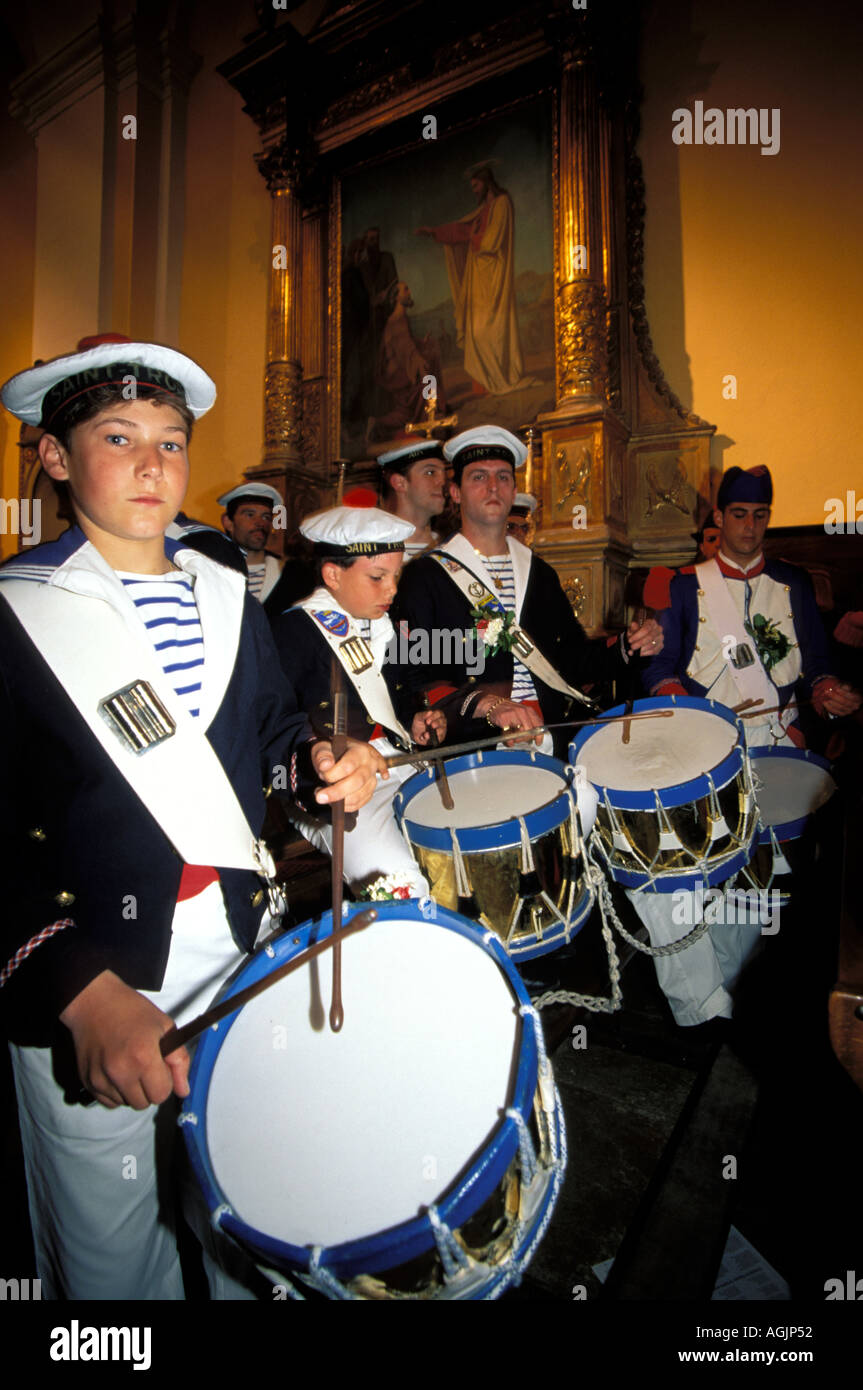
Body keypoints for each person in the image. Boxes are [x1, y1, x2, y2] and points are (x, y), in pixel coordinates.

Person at [0, 339, 383, 1300]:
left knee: (245, 1193)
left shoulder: (225, 590)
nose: (150, 464)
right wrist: (80, 991)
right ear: (54, 458)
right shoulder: (15, 610)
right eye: (117, 436)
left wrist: (321, 762)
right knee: (106, 1241)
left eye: (171, 443)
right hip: (91, 966)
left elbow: (269, 732)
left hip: (236, 938)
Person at [634, 464, 861, 1027]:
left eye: (761, 516)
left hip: (777, 741)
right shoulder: (685, 585)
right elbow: (660, 666)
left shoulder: (794, 581)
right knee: (699, 867)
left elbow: (817, 665)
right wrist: (676, 701)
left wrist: (826, 690)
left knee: (762, 870)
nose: (750, 527)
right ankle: (703, 996)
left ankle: (727, 989)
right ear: (718, 516)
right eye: (739, 515)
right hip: (707, 745)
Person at [390, 425, 663, 756]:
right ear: (456, 492)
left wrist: (628, 646)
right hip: (473, 741)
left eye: (503, 477)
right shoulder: (423, 577)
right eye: (478, 477)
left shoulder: (540, 573)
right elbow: (410, 673)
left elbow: (573, 660)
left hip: (548, 732)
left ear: (513, 488)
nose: (493, 486)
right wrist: (486, 704)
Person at [271, 505, 444, 899]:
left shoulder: (385, 625)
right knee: (400, 885)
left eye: (396, 577)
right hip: (335, 782)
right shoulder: (292, 631)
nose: (393, 590)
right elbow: (278, 724)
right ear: (333, 575)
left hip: (399, 760)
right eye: (378, 577)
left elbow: (398, 694)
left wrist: (416, 716)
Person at [416, 165, 536, 396]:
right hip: (478, 278)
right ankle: (483, 384)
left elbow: (492, 241)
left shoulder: (501, 203)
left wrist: (474, 238)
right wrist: (434, 232)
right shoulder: (483, 210)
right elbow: (461, 230)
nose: (474, 191)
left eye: (476, 185)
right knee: (476, 331)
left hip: (492, 276)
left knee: (489, 331)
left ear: (485, 181)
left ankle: (498, 379)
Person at [379, 438, 446, 560]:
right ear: (400, 483)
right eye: (430, 473)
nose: (442, 482)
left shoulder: (451, 550)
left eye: (444, 473)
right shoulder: (377, 553)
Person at [219, 481, 285, 602]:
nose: (260, 522)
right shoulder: (213, 571)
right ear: (228, 522)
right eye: (250, 515)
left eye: (266, 517)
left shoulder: (289, 575)